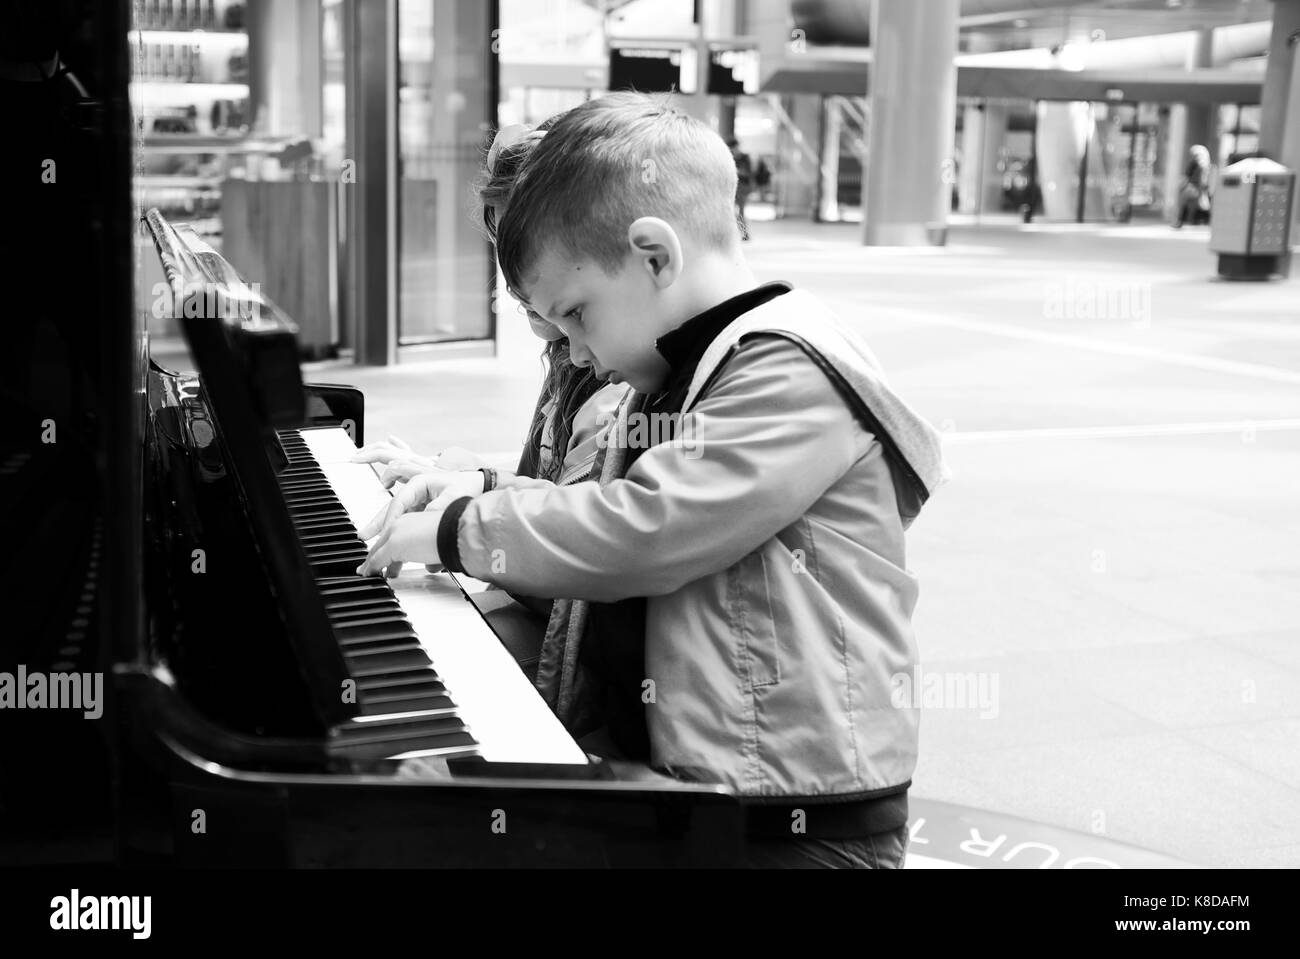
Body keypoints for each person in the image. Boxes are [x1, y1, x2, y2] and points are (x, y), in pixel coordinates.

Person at [358, 92, 949, 868]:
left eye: (576, 313)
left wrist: (459, 529)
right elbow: (599, 504)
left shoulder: (786, 369)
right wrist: (473, 491)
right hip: (704, 785)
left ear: (655, 255)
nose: (572, 351)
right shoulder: (681, 368)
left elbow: (644, 528)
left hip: (797, 822)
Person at [1175, 144, 1213, 228]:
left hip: (1193, 187)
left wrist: (1181, 187)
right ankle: (1199, 221)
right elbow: (1205, 180)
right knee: (1202, 204)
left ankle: (1180, 221)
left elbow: (1187, 177)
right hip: (1202, 188)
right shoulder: (1206, 165)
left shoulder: (1195, 164)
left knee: (1183, 203)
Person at [725, 135, 753, 240]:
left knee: (740, 213)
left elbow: (748, 173)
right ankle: (730, 235)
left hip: (743, 188)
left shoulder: (745, 158)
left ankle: (744, 233)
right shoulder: (729, 157)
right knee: (730, 212)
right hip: (732, 188)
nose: (733, 150)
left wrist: (738, 171)